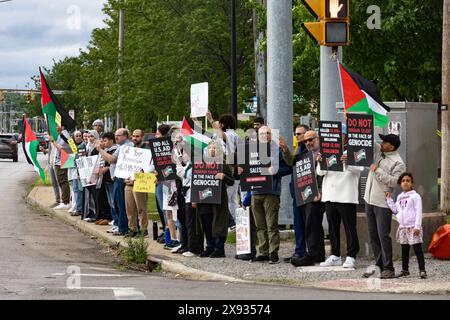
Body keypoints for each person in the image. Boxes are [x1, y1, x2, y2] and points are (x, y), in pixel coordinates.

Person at [317, 125, 363, 268]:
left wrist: (347, 161)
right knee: (332, 227)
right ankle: (335, 254)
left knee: (350, 228)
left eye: (340, 134)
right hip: (330, 195)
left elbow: (360, 168)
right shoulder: (327, 150)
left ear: (345, 136)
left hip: (346, 195)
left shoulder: (354, 149)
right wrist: (320, 161)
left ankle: (351, 255)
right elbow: (320, 172)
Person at [363, 133, 405, 279]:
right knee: (373, 235)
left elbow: (395, 182)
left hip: (382, 203)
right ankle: (378, 265)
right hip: (369, 200)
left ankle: (389, 268)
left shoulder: (398, 162)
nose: (381, 142)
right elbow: (368, 139)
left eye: (385, 141)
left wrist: (377, 170)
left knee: (383, 236)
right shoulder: (379, 152)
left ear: (391, 146)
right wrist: (351, 119)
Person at [249, 125, 292, 264]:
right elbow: (245, 169)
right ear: (258, 136)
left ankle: (273, 253)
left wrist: (276, 170)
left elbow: (289, 167)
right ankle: (263, 252)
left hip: (271, 192)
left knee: (271, 225)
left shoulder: (276, 150)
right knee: (260, 225)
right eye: (262, 133)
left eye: (268, 133)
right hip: (255, 191)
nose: (265, 135)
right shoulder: (251, 150)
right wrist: (239, 170)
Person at [291, 130, 326, 267]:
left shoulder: (323, 153)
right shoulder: (306, 155)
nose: (308, 143)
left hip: (319, 195)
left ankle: (312, 254)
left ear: (318, 138)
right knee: (311, 224)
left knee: (312, 224)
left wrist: (321, 191)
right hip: (307, 194)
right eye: (306, 141)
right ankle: (317, 254)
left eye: (311, 139)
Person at [195, 140, 235, 258]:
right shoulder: (201, 164)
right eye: (210, 148)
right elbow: (196, 181)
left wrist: (224, 177)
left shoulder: (223, 164)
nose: (212, 150)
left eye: (215, 148)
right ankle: (210, 246)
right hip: (205, 199)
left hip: (219, 199)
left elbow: (232, 181)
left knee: (218, 223)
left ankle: (219, 249)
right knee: (206, 223)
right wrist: (194, 199)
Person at [386, 172, 427, 279]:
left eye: (408, 181)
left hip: (413, 227)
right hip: (403, 227)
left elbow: (418, 211)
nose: (405, 183)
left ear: (411, 183)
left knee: (417, 249)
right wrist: (389, 200)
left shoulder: (415, 196)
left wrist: (417, 226)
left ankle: (422, 270)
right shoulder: (399, 197)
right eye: (403, 181)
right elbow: (395, 210)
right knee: (404, 249)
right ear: (400, 183)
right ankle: (405, 270)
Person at [95, 128, 133, 236]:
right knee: (116, 203)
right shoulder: (120, 147)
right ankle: (120, 226)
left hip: (122, 178)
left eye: (119, 135)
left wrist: (100, 150)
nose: (116, 137)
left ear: (125, 136)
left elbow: (112, 160)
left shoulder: (127, 146)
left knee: (120, 204)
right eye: (115, 135)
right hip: (116, 178)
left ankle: (123, 227)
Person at [284, 124, 309, 263]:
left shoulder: (308, 149)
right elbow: (291, 165)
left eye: (299, 134)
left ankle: (308, 251)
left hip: (307, 193)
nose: (296, 136)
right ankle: (299, 250)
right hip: (297, 192)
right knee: (298, 224)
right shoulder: (298, 148)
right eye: (295, 134)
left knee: (308, 224)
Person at [124, 129, 151, 237]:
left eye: (137, 136)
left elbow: (148, 168)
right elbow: (125, 166)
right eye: (133, 136)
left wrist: (137, 178)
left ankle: (144, 229)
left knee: (141, 208)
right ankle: (132, 229)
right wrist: (125, 178)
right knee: (130, 209)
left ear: (142, 137)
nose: (135, 138)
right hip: (129, 182)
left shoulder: (147, 150)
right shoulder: (130, 149)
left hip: (141, 182)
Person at [50, 125, 71, 210]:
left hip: (63, 161)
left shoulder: (65, 135)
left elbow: (64, 148)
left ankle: (66, 202)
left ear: (62, 126)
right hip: (58, 161)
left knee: (63, 181)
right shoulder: (60, 134)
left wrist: (53, 142)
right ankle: (64, 201)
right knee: (61, 181)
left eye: (57, 125)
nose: (56, 127)